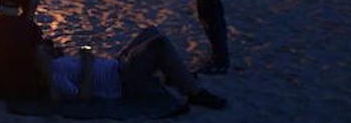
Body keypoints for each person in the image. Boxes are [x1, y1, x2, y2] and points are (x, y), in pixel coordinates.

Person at [41, 27, 226, 110]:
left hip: (117, 65)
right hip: (122, 81)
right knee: (158, 44)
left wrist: (86, 58)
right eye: (47, 46)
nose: (52, 45)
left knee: (151, 31)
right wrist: (88, 63)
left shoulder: (59, 61)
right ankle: (194, 91)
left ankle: (174, 74)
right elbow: (83, 97)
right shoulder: (55, 73)